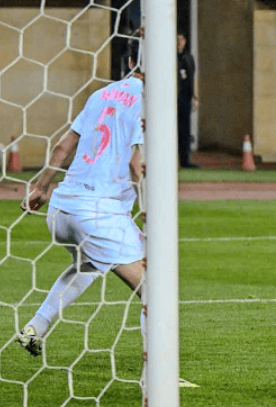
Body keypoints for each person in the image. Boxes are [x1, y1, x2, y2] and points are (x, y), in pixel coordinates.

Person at [16, 52, 146, 356]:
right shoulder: (149, 104)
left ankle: (35, 327)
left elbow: (63, 147)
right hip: (99, 213)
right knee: (156, 292)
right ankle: (158, 371)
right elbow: (136, 164)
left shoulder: (99, 95)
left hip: (62, 208)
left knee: (88, 266)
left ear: (130, 61)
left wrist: (40, 188)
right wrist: (148, 214)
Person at [177, 32, 199, 169]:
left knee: (185, 130)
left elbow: (193, 77)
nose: (179, 42)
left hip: (185, 98)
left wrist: (196, 97)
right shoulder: (170, 57)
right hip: (172, 99)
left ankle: (185, 160)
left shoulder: (189, 58)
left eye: (181, 39)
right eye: (177, 39)